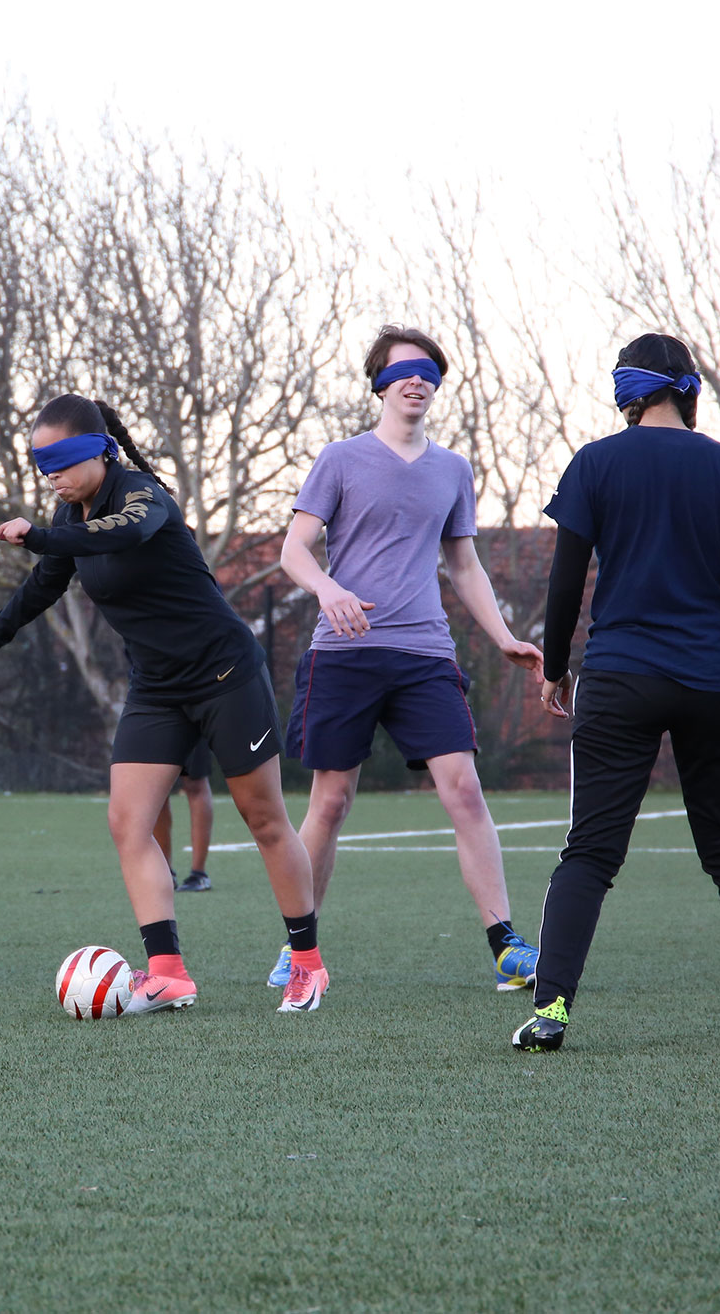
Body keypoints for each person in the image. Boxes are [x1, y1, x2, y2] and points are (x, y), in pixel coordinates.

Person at [0, 394, 330, 1013]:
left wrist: (43, 535)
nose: (52, 473)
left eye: (62, 459)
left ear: (100, 449)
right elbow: (39, 589)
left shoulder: (142, 495)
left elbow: (120, 532)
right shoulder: (69, 517)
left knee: (264, 820)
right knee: (128, 823)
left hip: (226, 674)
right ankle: (168, 973)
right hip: (157, 689)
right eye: (41, 462)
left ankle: (309, 963)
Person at [518, 334, 720, 1051]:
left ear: (629, 394)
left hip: (620, 678)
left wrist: (554, 666)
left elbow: (565, 581)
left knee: (589, 853)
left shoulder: (596, 462)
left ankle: (550, 1012)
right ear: (687, 389)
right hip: (716, 680)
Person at [279, 325, 545, 993]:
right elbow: (295, 550)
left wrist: (503, 633)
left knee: (464, 789)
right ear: (379, 381)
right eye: (405, 370)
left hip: (425, 652)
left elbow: (462, 562)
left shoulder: (453, 469)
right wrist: (330, 586)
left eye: (429, 371)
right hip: (344, 654)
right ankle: (299, 946)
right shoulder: (339, 459)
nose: (418, 380)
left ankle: (505, 943)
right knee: (332, 801)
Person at [154, 745, 215, 891]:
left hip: (194, 722)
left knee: (195, 782)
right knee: (156, 786)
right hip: (154, 723)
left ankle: (198, 874)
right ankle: (165, 872)